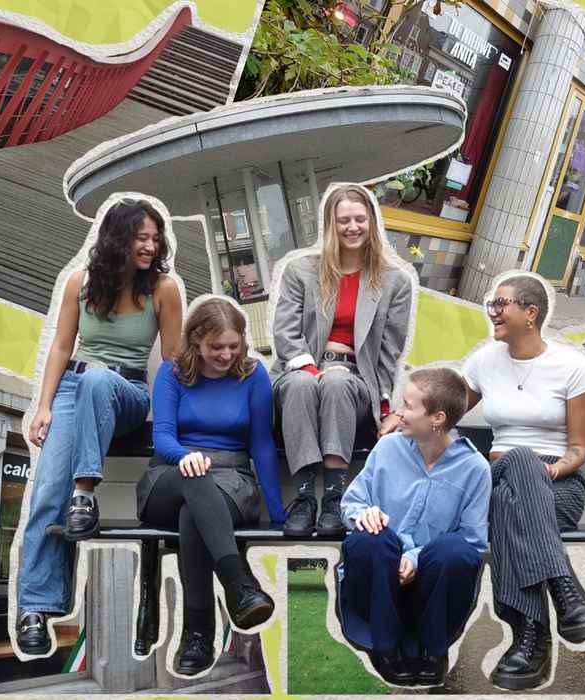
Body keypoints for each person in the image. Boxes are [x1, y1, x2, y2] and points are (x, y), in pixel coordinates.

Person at [17, 198, 183, 656]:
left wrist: (173, 425)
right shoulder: (80, 283)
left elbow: (170, 365)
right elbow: (61, 348)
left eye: (155, 238)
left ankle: (85, 491)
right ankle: (36, 605)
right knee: (47, 491)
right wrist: (44, 406)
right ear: (116, 239)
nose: (150, 246)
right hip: (75, 388)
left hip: (126, 393)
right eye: (141, 237)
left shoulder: (164, 289)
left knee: (97, 379)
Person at [462, 273, 585, 691]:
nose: (493, 312)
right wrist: (402, 414)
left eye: (500, 303)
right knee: (512, 469)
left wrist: (550, 470)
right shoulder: (483, 360)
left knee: (510, 496)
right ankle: (565, 591)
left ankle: (530, 638)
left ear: (530, 312)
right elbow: (446, 408)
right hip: (499, 474)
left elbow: (578, 449)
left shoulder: (572, 366)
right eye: (491, 304)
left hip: (556, 485)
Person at [136, 297, 286, 676]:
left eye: (233, 346)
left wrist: (278, 513)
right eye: (216, 347)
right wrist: (184, 456)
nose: (225, 354)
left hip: (231, 482)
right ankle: (238, 584)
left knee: (195, 514)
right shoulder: (173, 374)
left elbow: (262, 446)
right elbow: (164, 435)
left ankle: (198, 633)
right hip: (169, 476)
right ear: (196, 341)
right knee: (193, 482)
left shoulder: (253, 376)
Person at [271, 183, 415, 538]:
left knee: (337, 382)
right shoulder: (301, 271)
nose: (352, 227)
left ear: (372, 223)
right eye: (343, 221)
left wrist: (384, 404)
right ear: (329, 226)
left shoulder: (395, 281)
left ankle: (335, 497)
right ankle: (304, 498)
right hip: (300, 369)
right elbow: (285, 334)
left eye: (360, 219)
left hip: (356, 378)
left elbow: (388, 354)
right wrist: (312, 368)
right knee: (305, 383)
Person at [338, 368, 490, 687]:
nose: (399, 413)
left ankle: (434, 651)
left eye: (408, 406)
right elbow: (350, 504)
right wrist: (364, 515)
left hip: (434, 589)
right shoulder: (387, 449)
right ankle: (386, 647)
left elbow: (474, 543)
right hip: (378, 582)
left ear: (437, 418)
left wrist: (416, 558)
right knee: (370, 539)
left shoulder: (475, 469)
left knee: (455, 550)